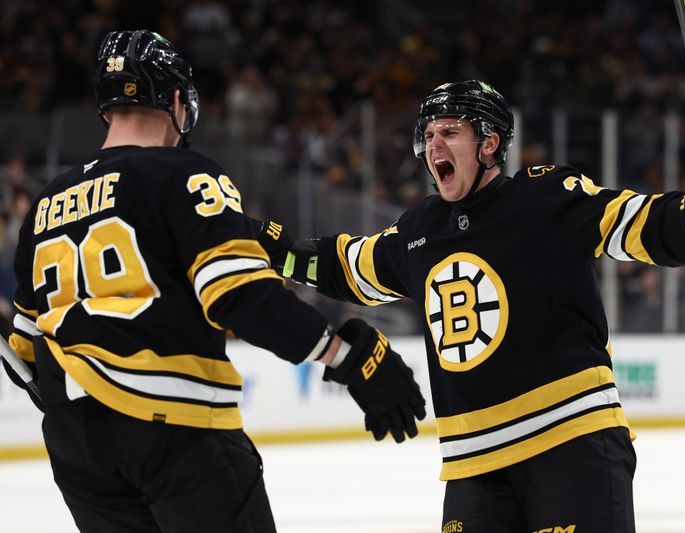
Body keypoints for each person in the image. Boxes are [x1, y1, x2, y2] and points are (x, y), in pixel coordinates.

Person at [255, 80, 685, 532]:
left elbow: (639, 224)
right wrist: (265, 244)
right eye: (428, 135)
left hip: (569, 445)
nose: (434, 145)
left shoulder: (545, 198)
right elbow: (345, 265)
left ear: (490, 142)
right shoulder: (416, 232)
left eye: (449, 131)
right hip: (472, 467)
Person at [1, 30, 425, 533]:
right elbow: (240, 297)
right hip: (174, 430)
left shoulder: (45, 205)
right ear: (177, 100)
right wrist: (349, 358)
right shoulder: (186, 174)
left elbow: (23, 349)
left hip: (78, 453)